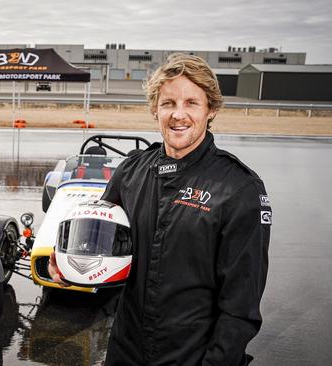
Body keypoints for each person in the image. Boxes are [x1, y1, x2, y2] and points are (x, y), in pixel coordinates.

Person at [49, 53, 271, 365]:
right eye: (168, 103)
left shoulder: (239, 188)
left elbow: (240, 308)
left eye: (191, 103)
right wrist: (68, 268)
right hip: (125, 350)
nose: (178, 115)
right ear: (155, 109)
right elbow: (99, 242)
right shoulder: (130, 171)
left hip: (191, 356)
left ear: (212, 109)